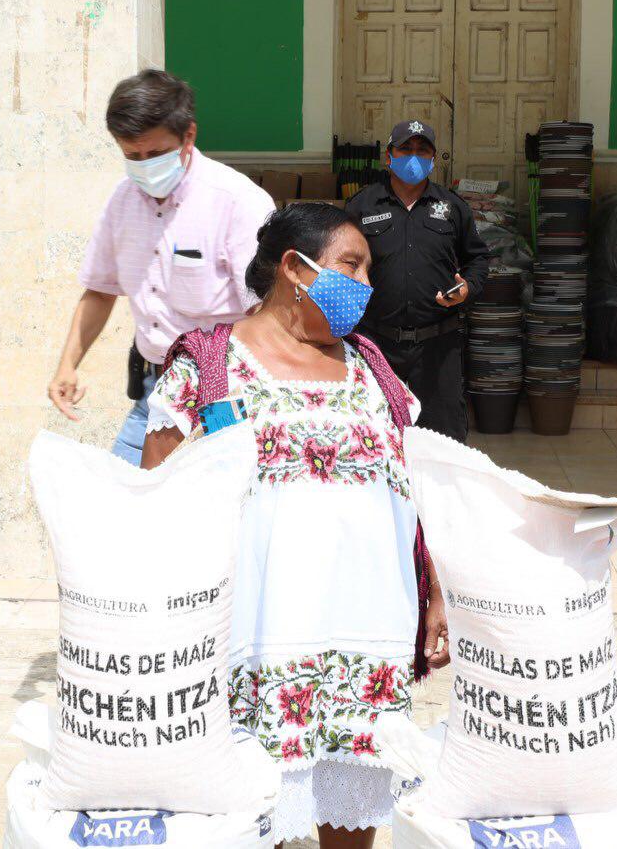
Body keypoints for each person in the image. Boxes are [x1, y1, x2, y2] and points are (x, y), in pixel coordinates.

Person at [140, 203, 449, 848]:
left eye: (369, 270)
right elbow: (160, 501)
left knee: (355, 798)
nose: (366, 284)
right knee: (260, 807)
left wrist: (436, 594)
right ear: (294, 268)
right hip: (259, 633)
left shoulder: (371, 370)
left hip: (364, 634)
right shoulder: (210, 365)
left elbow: (412, 489)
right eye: (351, 265)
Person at [47, 68, 275, 465]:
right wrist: (67, 366)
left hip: (227, 393)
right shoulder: (122, 202)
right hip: (154, 391)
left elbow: (268, 311)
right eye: (131, 156)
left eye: (155, 154)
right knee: (129, 505)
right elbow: (100, 291)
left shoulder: (236, 202)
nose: (144, 166)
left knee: (219, 515)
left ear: (189, 135)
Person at [346, 119, 490, 442]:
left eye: (422, 150)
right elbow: (340, 260)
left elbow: (478, 259)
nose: (414, 157)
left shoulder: (453, 208)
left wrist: (467, 288)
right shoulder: (362, 206)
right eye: (406, 149)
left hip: (438, 346)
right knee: (376, 437)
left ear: (433, 159)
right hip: (377, 344)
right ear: (389, 156)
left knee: (444, 442)